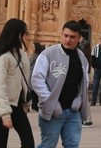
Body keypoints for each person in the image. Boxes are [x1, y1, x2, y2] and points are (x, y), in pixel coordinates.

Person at [30, 20, 91, 148]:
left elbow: (84, 81)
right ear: (61, 35)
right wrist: (50, 101)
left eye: (72, 37)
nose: (68, 40)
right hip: (52, 111)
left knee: (72, 145)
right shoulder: (48, 54)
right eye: (65, 35)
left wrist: (79, 98)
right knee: (48, 145)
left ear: (79, 38)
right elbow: (37, 80)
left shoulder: (81, 58)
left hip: (73, 112)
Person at [0, 17, 35, 148]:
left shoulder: (21, 54)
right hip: (1, 106)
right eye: (25, 34)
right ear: (17, 34)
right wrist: (5, 114)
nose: (26, 37)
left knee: (28, 142)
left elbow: (24, 80)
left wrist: (26, 104)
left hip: (17, 104)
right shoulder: (2, 57)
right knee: (0, 143)